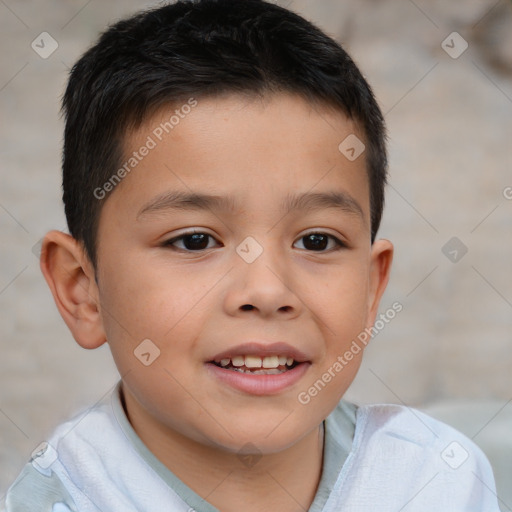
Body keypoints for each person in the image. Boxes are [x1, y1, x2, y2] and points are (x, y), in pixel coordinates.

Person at [2, 1, 500, 510]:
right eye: (194, 240)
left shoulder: (436, 480)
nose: (266, 291)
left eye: (316, 241)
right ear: (81, 289)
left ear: (372, 289)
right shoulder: (63, 499)